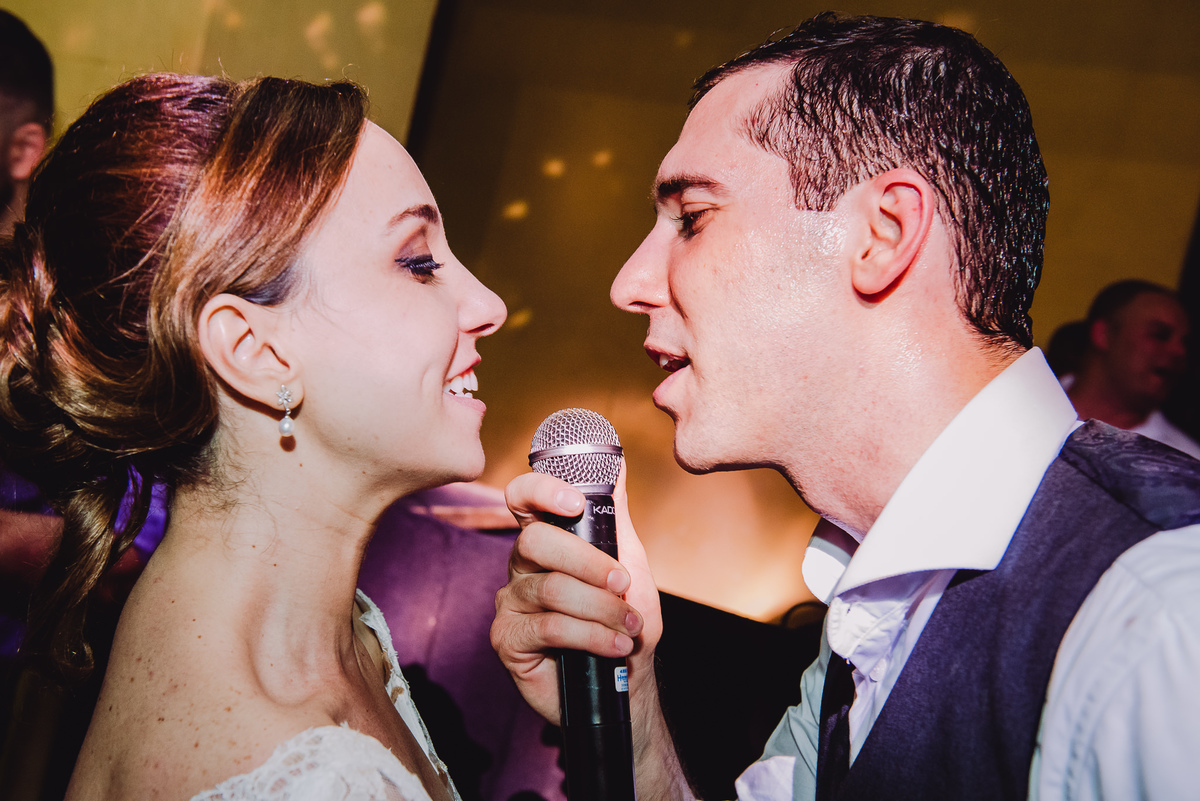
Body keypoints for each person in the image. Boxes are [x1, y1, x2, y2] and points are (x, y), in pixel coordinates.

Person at [490, 12, 1200, 801]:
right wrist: (631, 708)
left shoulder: (1162, 619)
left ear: (884, 234)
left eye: (692, 217)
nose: (630, 283)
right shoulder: (881, 587)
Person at [0, 73, 507, 800]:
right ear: (254, 351)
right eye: (418, 261)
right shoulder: (315, 776)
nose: (487, 304)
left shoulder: (304, 636)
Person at [1065, 279, 1200, 458]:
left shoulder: (1185, 462)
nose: (1179, 351)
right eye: (1159, 335)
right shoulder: (1024, 400)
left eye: (1185, 343)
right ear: (1103, 335)